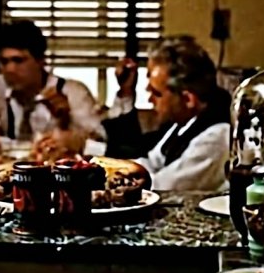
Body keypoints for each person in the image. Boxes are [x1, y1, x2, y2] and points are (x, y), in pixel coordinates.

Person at [90, 36, 231, 190]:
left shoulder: (216, 137)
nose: (150, 99)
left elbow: (164, 185)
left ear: (188, 99)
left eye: (157, 93)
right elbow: (150, 162)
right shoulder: (182, 123)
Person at [0, 20, 106, 167]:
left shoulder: (73, 92)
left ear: (40, 61)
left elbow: (101, 146)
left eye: (18, 61)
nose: (10, 69)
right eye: (4, 62)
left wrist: (75, 139)